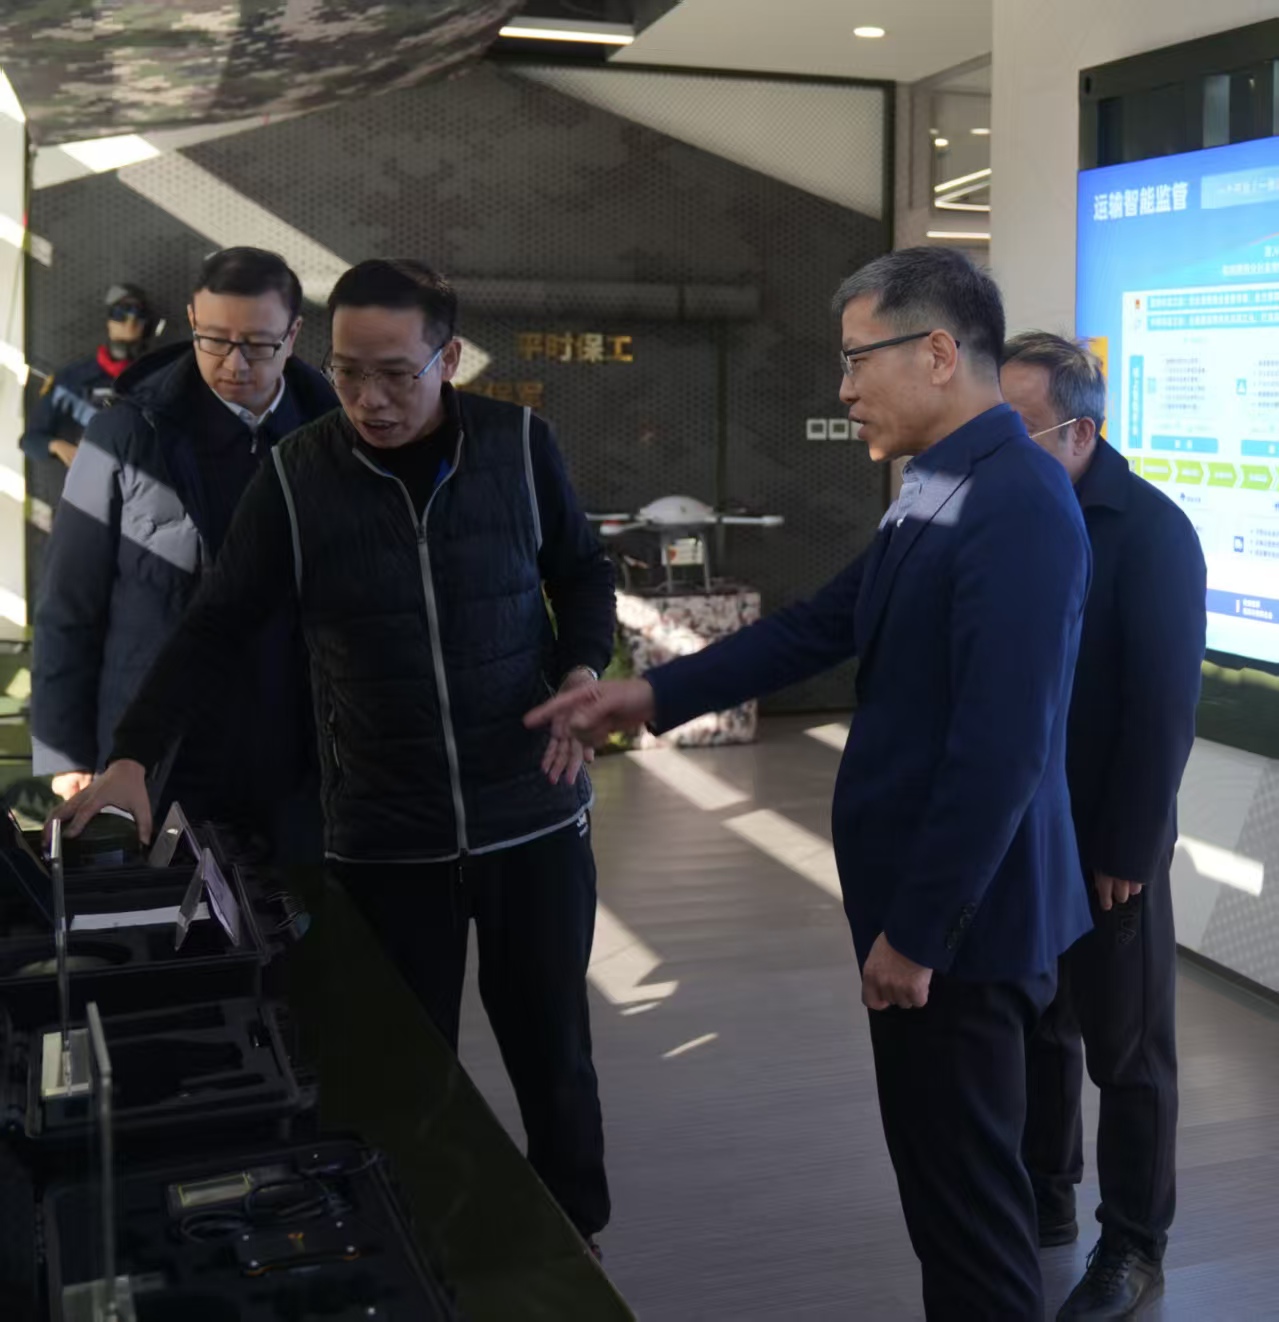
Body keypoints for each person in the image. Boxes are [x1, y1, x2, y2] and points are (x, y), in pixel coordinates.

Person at [527, 247, 1094, 1318]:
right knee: (941, 1197)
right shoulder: (942, 480)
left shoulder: (1014, 501)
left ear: (937, 353)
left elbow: (1000, 750)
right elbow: (823, 623)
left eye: (856, 359)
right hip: (930, 911)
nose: (842, 388)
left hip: (964, 929)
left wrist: (916, 934)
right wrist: (648, 694)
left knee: (969, 1218)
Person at [51, 259, 616, 1250]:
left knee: (554, 1055)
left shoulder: (519, 445)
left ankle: (577, 1238)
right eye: (349, 371)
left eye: (397, 373)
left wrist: (579, 667)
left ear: (448, 358)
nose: (369, 398)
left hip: (529, 813)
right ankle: (421, 1246)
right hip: (385, 833)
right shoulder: (298, 473)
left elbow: (580, 570)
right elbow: (215, 627)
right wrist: (132, 755)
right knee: (401, 1069)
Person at [1002, 333, 1205, 1320]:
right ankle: (1045, 1196)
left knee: (1126, 1051)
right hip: (1021, 832)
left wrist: (1126, 846)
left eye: (1019, 428)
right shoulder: (1011, 515)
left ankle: (1132, 1242)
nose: (998, 447)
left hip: (1105, 843)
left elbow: (1162, 709)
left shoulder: (1151, 531)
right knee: (1041, 1026)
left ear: (1078, 432)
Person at [33, 248, 336, 863]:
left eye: (258, 344)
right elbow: (70, 600)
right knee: (159, 908)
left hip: (294, 746)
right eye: (215, 339)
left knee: (293, 909)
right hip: (156, 744)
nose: (234, 363)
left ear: (294, 333)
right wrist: (68, 755)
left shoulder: (330, 438)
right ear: (193, 318)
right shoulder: (128, 433)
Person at [20, 283, 157, 473]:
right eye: (120, 313)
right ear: (108, 321)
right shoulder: (71, 379)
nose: (129, 321)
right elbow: (30, 440)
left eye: (138, 314)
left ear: (145, 325)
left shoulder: (158, 379)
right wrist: (57, 446)